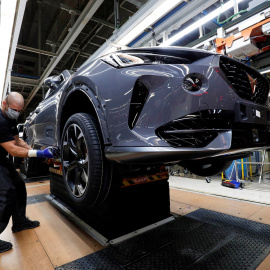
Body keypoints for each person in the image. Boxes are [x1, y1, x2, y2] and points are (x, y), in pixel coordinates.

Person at [0, 92, 56, 253]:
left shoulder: (11, 118)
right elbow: (13, 150)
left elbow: (17, 141)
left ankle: (20, 222)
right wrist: (39, 154)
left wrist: (35, 150)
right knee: (7, 193)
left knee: (18, 186)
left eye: (19, 110)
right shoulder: (0, 120)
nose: (16, 113)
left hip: (1, 158)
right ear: (4, 103)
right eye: (13, 109)